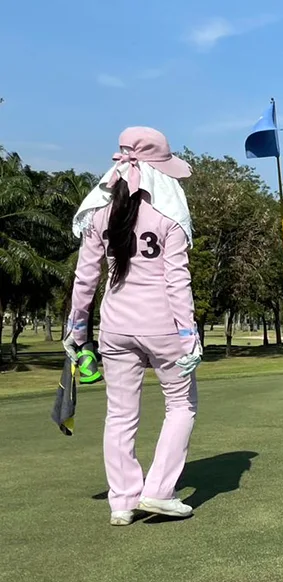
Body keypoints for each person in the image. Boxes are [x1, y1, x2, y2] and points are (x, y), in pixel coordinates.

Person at [66, 127, 203, 526]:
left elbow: (85, 279)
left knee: (120, 416)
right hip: (163, 329)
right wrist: (189, 336)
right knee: (182, 405)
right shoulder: (170, 215)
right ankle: (159, 491)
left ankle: (123, 500)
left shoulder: (97, 212)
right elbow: (177, 282)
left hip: (115, 328)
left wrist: (76, 332)